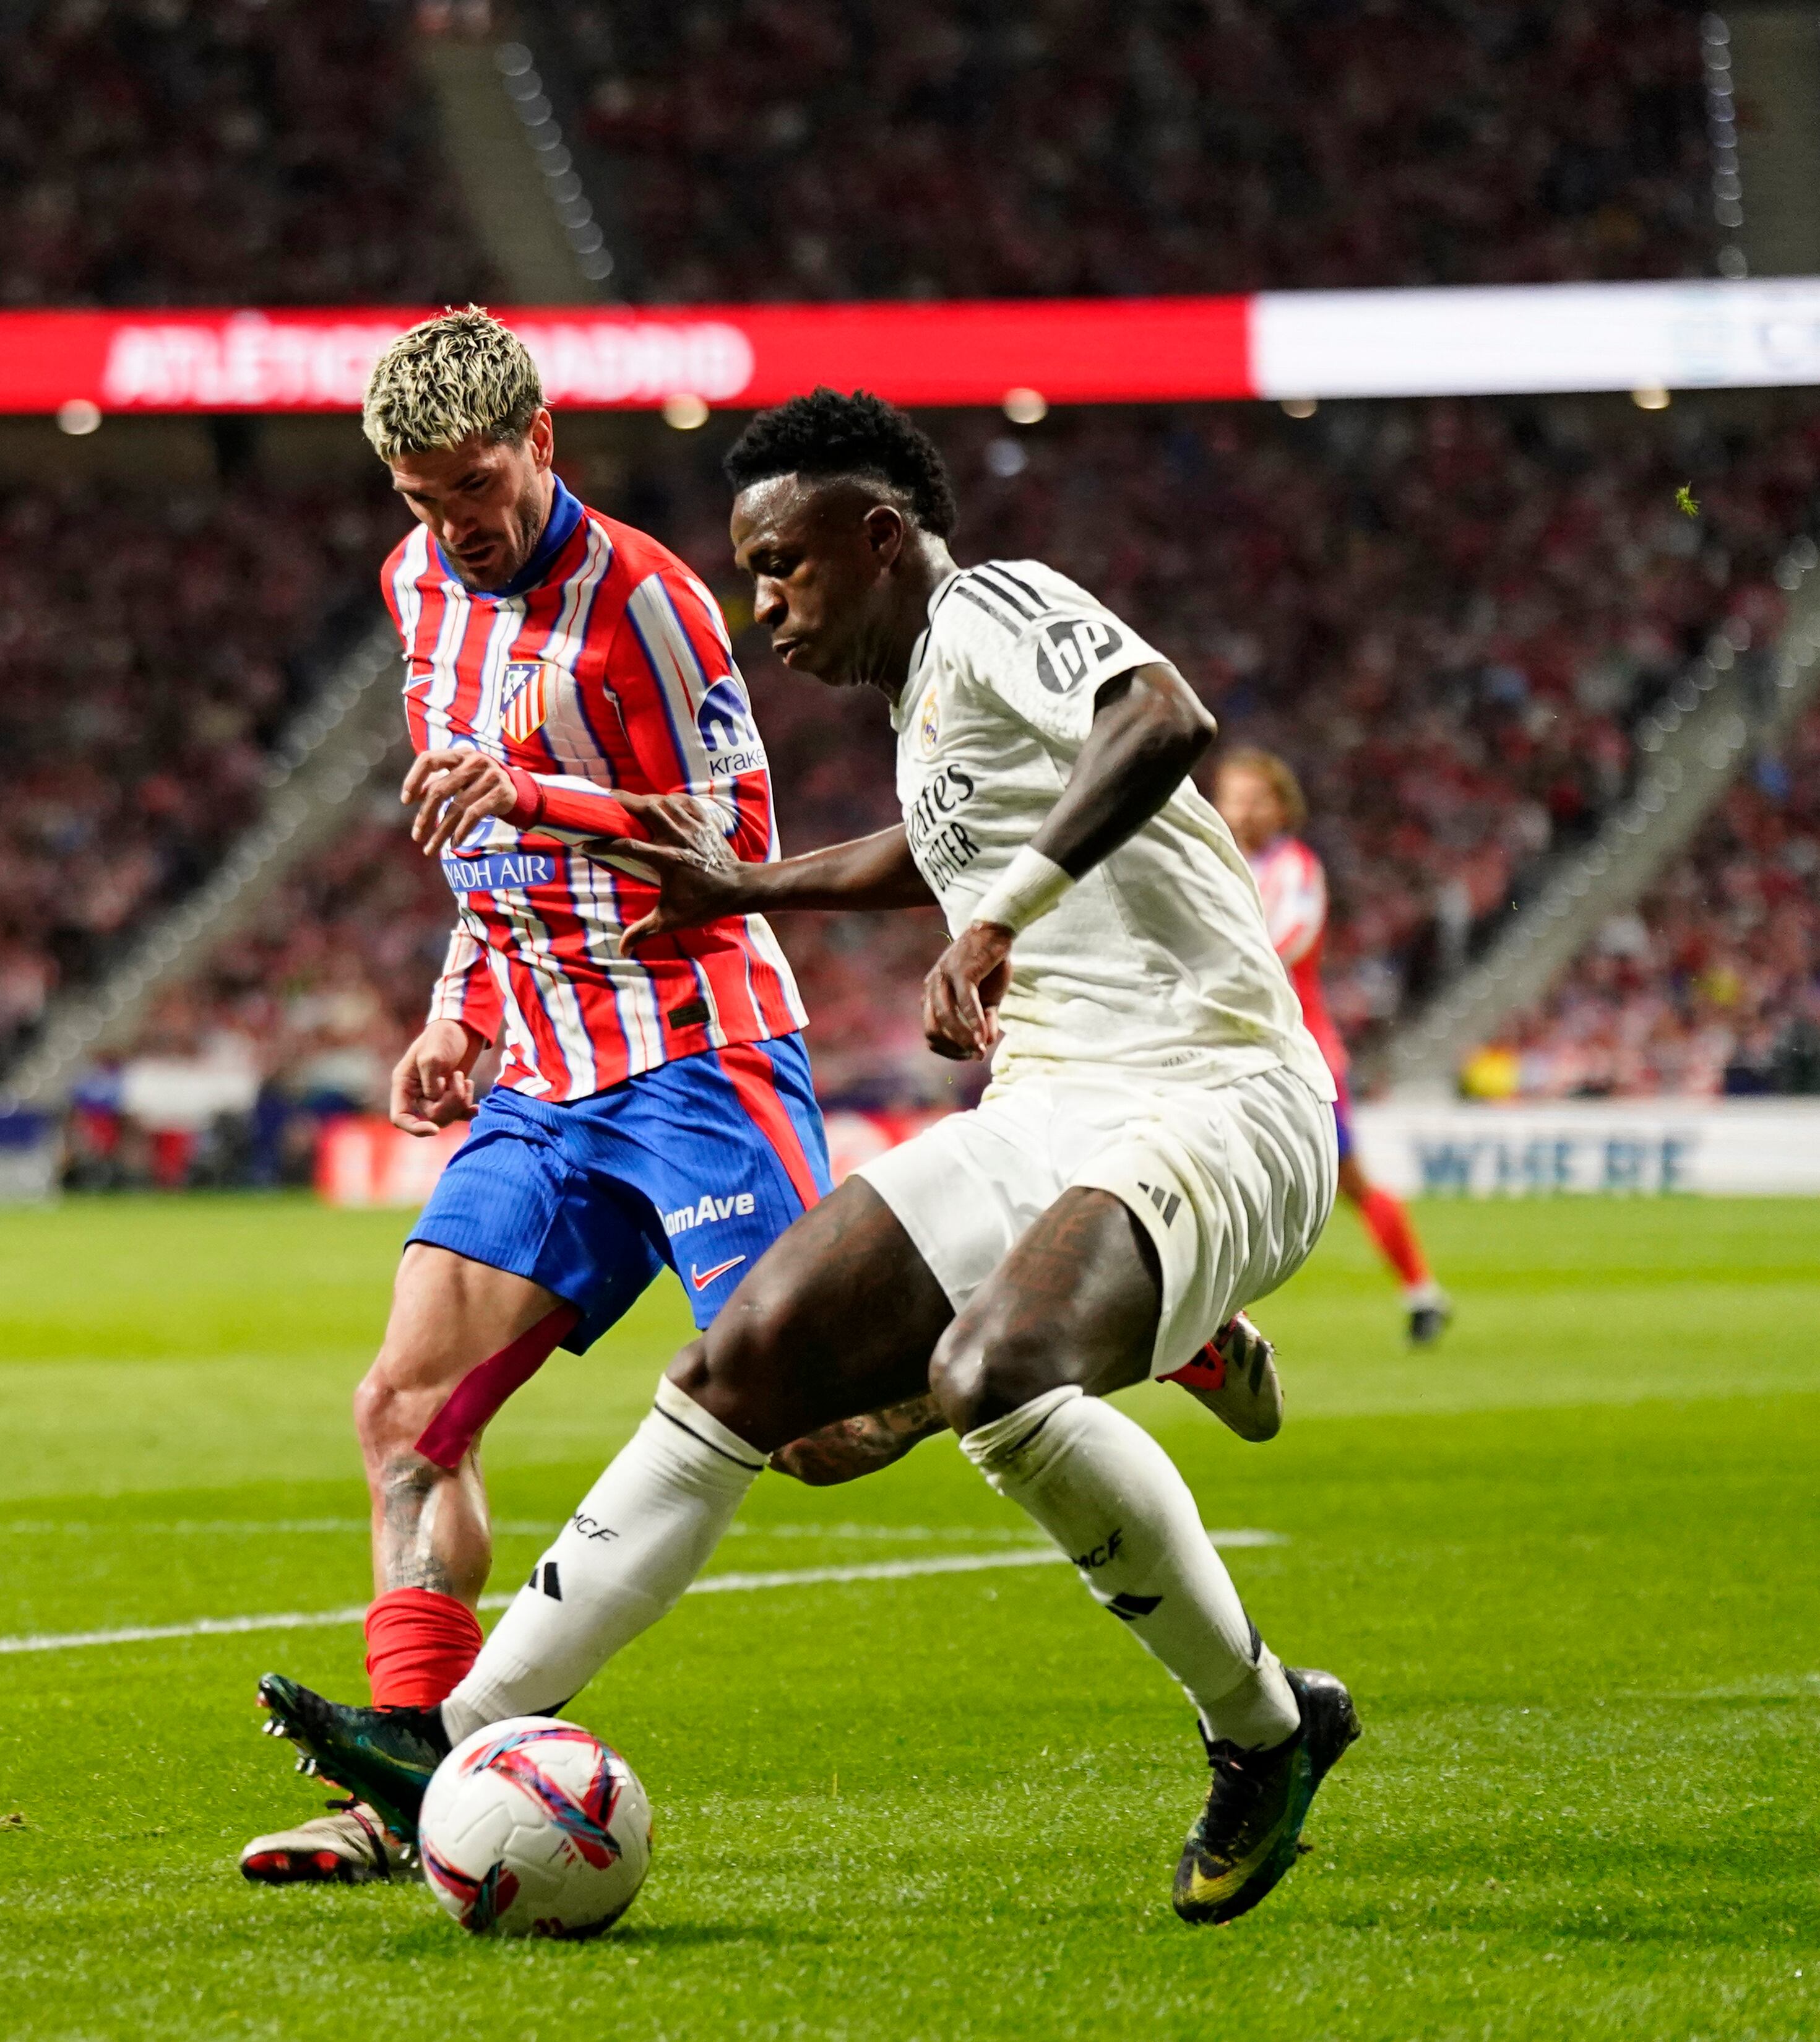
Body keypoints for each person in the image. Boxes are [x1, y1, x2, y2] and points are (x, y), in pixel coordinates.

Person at [261, 389, 1353, 1927]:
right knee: (752, 1358)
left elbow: (1160, 721)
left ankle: (1264, 1728)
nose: (764, 606)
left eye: (781, 570)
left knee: (991, 1375)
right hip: (1043, 1114)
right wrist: (743, 880)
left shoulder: (995, 607)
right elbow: (933, 850)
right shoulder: (922, 709)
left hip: (1211, 1095)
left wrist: (999, 918)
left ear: (877, 536)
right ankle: (445, 1740)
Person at [236, 306, 852, 1887]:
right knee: (401, 1412)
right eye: (423, 494)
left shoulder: (646, 600)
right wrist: (457, 1013)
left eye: (479, 480)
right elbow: (473, 838)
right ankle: (397, 1797)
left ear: (543, 443)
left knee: (829, 1429)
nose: (459, 520)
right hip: (542, 1073)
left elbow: (737, 837)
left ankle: (1107, 1305)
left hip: (694, 1048)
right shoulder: (411, 587)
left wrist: (538, 787)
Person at [1214, 748, 1452, 1345]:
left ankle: (1421, 1289)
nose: (1240, 810)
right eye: (1232, 796)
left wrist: (1219, 967)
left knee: (1348, 1179)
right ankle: (1211, 1316)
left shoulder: (1295, 866)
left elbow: (1292, 937)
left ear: (1279, 806)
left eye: (1253, 798)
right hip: (1221, 1047)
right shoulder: (1208, 863)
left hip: (1299, 1051)